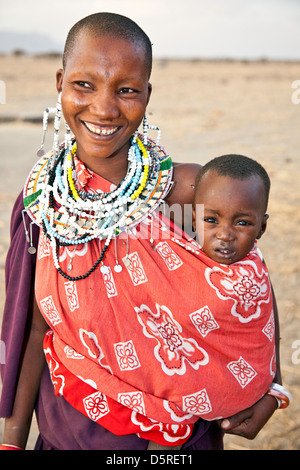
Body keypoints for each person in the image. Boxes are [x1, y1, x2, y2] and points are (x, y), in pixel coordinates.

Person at [0, 13, 290, 451]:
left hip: (181, 445)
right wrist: (12, 439)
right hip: (71, 434)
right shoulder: (43, 203)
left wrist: (272, 385)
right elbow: (36, 329)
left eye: (126, 90)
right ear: (59, 82)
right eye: (84, 85)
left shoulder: (191, 192)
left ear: (147, 94)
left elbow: (250, 282)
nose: (104, 108)